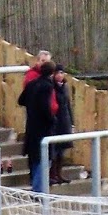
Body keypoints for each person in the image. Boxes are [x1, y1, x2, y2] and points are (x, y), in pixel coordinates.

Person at [18, 60, 58, 192]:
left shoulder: (31, 84)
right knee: (44, 160)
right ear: (52, 74)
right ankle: (39, 191)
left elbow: (21, 100)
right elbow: (45, 107)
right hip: (44, 128)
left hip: (31, 126)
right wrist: (52, 120)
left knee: (35, 158)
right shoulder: (47, 86)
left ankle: (37, 188)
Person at [49, 65, 75, 184]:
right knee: (55, 149)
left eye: (62, 73)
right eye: (58, 73)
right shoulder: (51, 87)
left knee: (62, 150)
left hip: (65, 121)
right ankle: (52, 173)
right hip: (55, 121)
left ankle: (59, 173)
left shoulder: (65, 86)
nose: (60, 75)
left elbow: (68, 104)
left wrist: (72, 122)